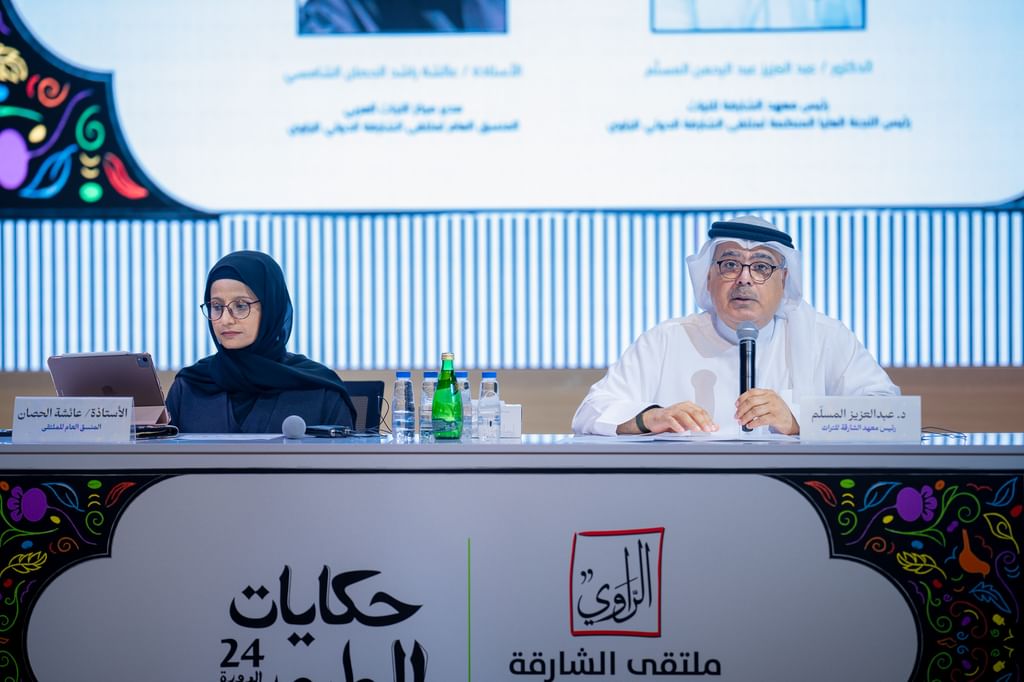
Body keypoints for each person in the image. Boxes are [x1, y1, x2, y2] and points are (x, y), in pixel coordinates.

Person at [572, 215, 898, 436]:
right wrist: (649, 417)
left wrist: (798, 419)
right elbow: (591, 412)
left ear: (784, 280)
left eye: (761, 267)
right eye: (730, 264)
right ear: (708, 277)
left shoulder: (824, 338)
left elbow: (890, 415)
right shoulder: (666, 340)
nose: (744, 278)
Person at [166, 251, 356, 433]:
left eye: (241, 306)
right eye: (216, 306)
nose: (225, 319)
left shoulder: (320, 390)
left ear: (271, 308)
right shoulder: (188, 387)